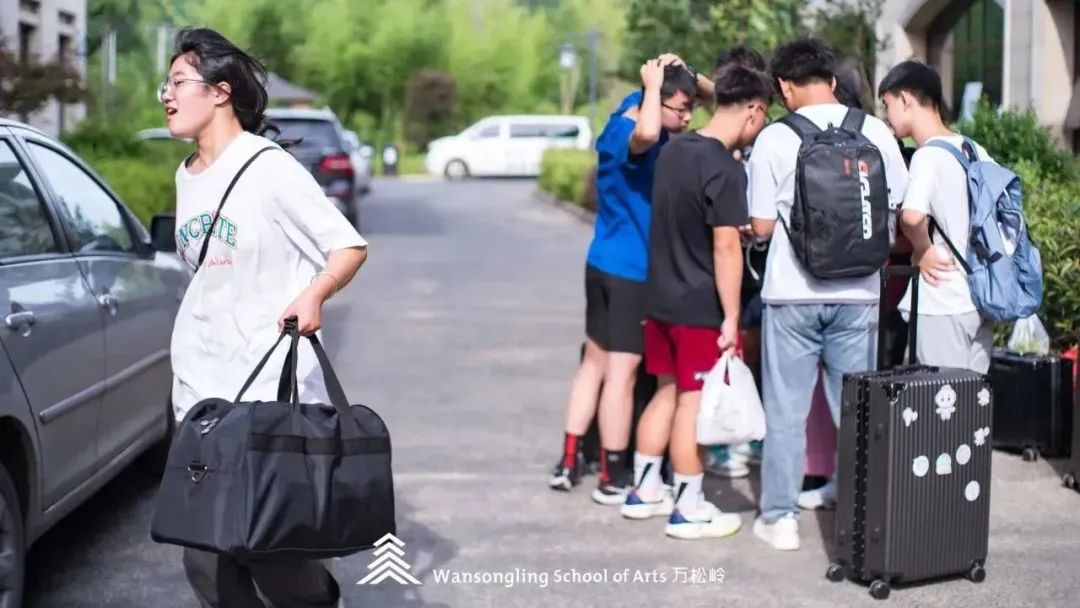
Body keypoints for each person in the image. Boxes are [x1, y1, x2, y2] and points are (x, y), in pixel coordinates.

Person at [161, 27, 368, 607]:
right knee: (206, 559)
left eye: (178, 82)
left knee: (277, 559)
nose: (167, 96)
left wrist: (315, 294)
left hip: (269, 388)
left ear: (220, 91)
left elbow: (348, 246)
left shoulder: (268, 168)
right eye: (165, 86)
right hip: (201, 390)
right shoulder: (186, 174)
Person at [747, 38, 908, 551]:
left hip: (792, 295)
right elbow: (898, 206)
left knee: (786, 411)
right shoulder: (875, 131)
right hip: (859, 293)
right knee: (856, 411)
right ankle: (861, 511)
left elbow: (762, 225)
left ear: (783, 86)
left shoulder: (775, 138)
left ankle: (780, 518)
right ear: (833, 80)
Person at [549, 54, 712, 507]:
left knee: (594, 364)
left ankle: (568, 461)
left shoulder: (625, 109)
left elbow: (724, 101)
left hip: (600, 262)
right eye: (680, 109)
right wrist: (658, 89)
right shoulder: (634, 132)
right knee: (621, 375)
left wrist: (682, 75)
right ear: (655, 99)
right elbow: (647, 134)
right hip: (631, 273)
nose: (688, 118)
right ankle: (612, 474)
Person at [621, 62, 773, 540]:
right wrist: (731, 316)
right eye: (764, 117)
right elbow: (726, 247)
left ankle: (645, 490)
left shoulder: (675, 149)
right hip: (698, 306)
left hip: (660, 298)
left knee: (666, 392)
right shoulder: (724, 168)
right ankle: (688, 507)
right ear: (754, 111)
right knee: (693, 401)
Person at [879, 60, 996, 372]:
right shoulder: (974, 149)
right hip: (982, 298)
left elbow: (912, 217)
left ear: (905, 99)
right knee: (972, 397)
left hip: (943, 299)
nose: (886, 116)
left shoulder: (928, 155)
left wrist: (923, 249)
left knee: (934, 398)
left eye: (887, 104)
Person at [703, 44, 768, 480]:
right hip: (722, 264)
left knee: (753, 353)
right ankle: (722, 442)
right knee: (725, 352)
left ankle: (749, 434)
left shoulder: (763, 135)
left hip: (756, 266)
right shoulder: (710, 142)